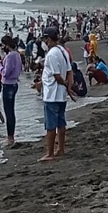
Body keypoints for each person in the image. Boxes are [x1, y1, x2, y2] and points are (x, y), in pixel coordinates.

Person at [39, 27, 73, 162]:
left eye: (45, 39)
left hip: (52, 93)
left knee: (51, 125)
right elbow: (69, 72)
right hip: (61, 94)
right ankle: (61, 149)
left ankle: (50, 153)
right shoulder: (63, 50)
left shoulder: (52, 54)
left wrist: (66, 86)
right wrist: (68, 88)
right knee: (61, 122)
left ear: (48, 39)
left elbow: (57, 76)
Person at [0, 36, 22, 147]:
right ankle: (11, 136)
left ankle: (10, 137)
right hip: (14, 83)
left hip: (8, 84)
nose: (2, 47)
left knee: (9, 112)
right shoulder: (17, 54)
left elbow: (6, 72)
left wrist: (0, 66)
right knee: (11, 111)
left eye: (3, 45)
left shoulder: (10, 56)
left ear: (6, 45)